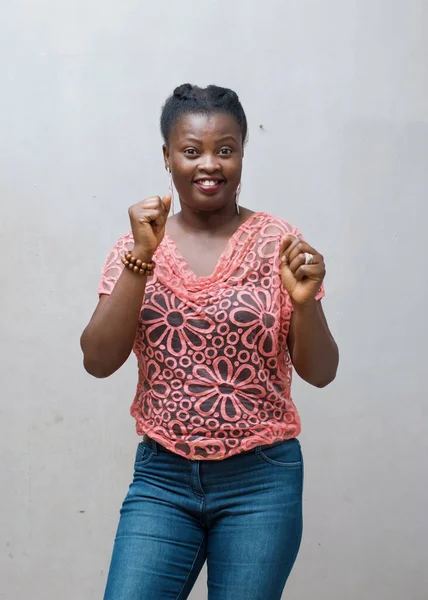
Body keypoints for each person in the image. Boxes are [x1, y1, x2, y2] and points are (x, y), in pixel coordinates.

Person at [80, 83, 339, 600]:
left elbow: (321, 371)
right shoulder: (135, 247)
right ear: (167, 157)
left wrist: (305, 303)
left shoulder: (278, 242)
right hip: (163, 479)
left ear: (243, 153)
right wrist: (141, 257)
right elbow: (98, 360)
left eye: (226, 149)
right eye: (191, 150)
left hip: (261, 482)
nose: (209, 165)